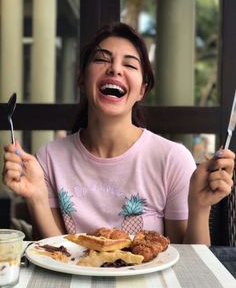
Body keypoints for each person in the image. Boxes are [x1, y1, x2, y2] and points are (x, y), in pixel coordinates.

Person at [2, 22, 235, 245]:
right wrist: (37, 199)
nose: (115, 68)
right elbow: (54, 255)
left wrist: (200, 207)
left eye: (130, 65)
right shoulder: (50, 157)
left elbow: (187, 263)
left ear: (142, 89)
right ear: (82, 79)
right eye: (102, 59)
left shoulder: (172, 158)